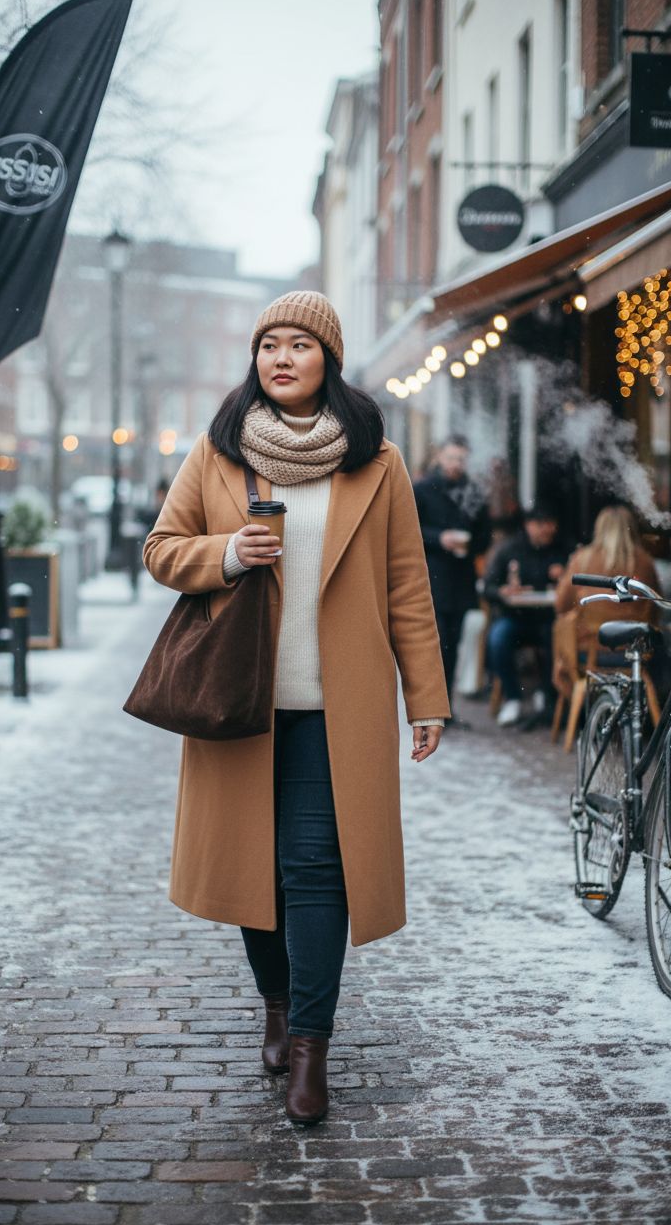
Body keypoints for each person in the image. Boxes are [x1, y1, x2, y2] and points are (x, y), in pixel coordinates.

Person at [142, 291, 449, 1126]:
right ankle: (275, 1006)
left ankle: (311, 1047)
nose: (282, 358)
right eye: (269, 344)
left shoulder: (376, 463)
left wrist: (427, 697)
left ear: (329, 359)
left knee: (317, 871)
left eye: (299, 345)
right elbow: (161, 551)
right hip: (239, 703)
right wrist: (229, 553)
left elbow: (408, 590)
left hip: (336, 708)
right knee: (254, 871)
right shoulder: (219, 453)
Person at [412, 435, 491, 725]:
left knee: (453, 644)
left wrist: (469, 544)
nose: (456, 464)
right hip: (430, 577)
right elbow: (407, 531)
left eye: (461, 458)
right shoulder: (421, 489)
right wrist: (439, 538)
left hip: (461, 579)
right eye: (452, 457)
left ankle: (446, 710)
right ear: (440, 457)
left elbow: (485, 535)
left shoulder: (474, 491)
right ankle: (429, 709)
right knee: (435, 644)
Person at [483, 501, 567, 726]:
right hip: (516, 617)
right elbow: (487, 587)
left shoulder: (562, 549)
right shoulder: (510, 549)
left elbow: (575, 586)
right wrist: (503, 591)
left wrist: (565, 576)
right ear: (528, 525)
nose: (547, 529)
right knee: (497, 638)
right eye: (541, 524)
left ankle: (546, 694)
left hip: (549, 618)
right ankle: (513, 698)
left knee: (558, 638)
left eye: (550, 524)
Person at [555, 505, 660, 633]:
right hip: (635, 644)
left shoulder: (582, 559)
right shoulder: (644, 561)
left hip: (590, 646)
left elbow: (561, 604)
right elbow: (656, 608)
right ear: (631, 528)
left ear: (599, 528)